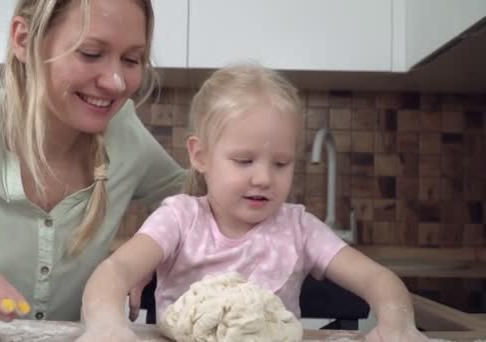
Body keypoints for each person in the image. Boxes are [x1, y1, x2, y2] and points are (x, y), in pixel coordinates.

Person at [0, 0, 184, 336]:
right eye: (91, 52)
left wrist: (157, 252)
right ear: (24, 40)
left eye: (131, 60)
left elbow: (211, 201)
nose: (115, 82)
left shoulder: (126, 135)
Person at [78, 64, 429, 342]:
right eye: (244, 161)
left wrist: (399, 325)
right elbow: (115, 271)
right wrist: (106, 325)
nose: (263, 178)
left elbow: (378, 279)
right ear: (200, 155)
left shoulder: (299, 228)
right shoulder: (180, 219)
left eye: (281, 163)